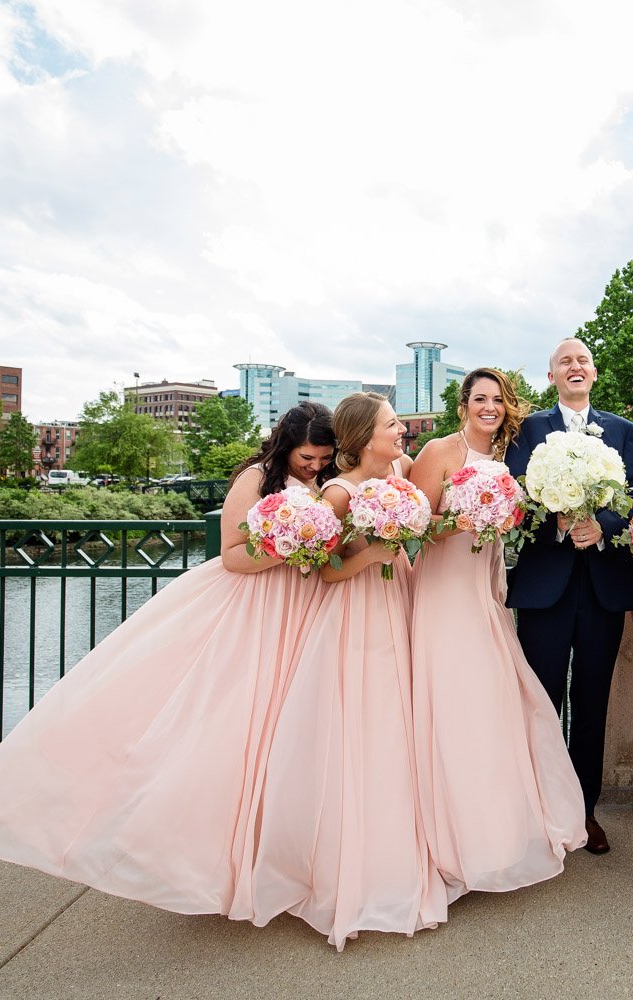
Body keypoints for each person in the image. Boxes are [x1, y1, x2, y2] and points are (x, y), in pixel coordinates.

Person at [0, 402, 340, 922]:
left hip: (301, 607)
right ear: (288, 444)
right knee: (231, 724)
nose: (314, 466)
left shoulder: (325, 482)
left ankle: (280, 852)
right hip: (255, 607)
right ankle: (203, 853)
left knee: (289, 730)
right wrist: (292, 544)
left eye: (323, 458)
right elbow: (233, 555)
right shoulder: (256, 480)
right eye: (309, 457)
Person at [246, 392, 448, 950]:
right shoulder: (338, 493)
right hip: (356, 616)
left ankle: (402, 849)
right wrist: (371, 555)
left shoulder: (401, 473)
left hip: (396, 604)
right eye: (391, 424)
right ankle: (353, 869)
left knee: (398, 728)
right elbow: (322, 570)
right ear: (364, 436)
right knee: (365, 728)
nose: (401, 429)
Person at [408, 368, 586, 897]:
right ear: (463, 404)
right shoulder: (440, 451)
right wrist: (461, 520)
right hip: (443, 591)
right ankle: (444, 834)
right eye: (479, 398)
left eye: (497, 400)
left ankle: (492, 826)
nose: (489, 406)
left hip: (486, 592)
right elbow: (416, 526)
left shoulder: (509, 461)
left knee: (489, 703)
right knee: (451, 698)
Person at [504, 338, 633, 855]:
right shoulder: (527, 430)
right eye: (565, 361)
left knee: (592, 702)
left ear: (594, 371)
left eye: (584, 359)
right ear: (552, 375)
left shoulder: (624, 430)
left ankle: (584, 813)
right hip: (545, 587)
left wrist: (601, 526)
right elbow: (516, 495)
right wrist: (558, 523)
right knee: (541, 701)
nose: (576, 366)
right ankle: (540, 809)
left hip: (602, 587)